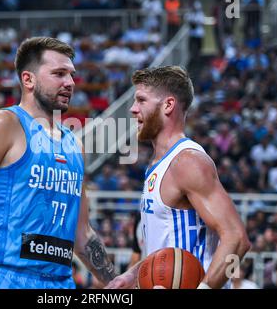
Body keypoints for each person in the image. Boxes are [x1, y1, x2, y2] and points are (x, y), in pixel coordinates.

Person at [0, 37, 116, 289]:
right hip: (1, 277)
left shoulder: (74, 145)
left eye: (71, 75)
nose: (69, 83)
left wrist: (117, 282)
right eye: (58, 74)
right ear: (28, 79)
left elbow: (83, 235)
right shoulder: (2, 125)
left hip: (59, 283)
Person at [106, 66, 251, 289]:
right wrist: (132, 276)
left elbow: (237, 239)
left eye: (141, 100)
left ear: (168, 105)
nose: (133, 109)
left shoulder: (187, 162)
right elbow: (166, 255)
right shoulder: (156, 165)